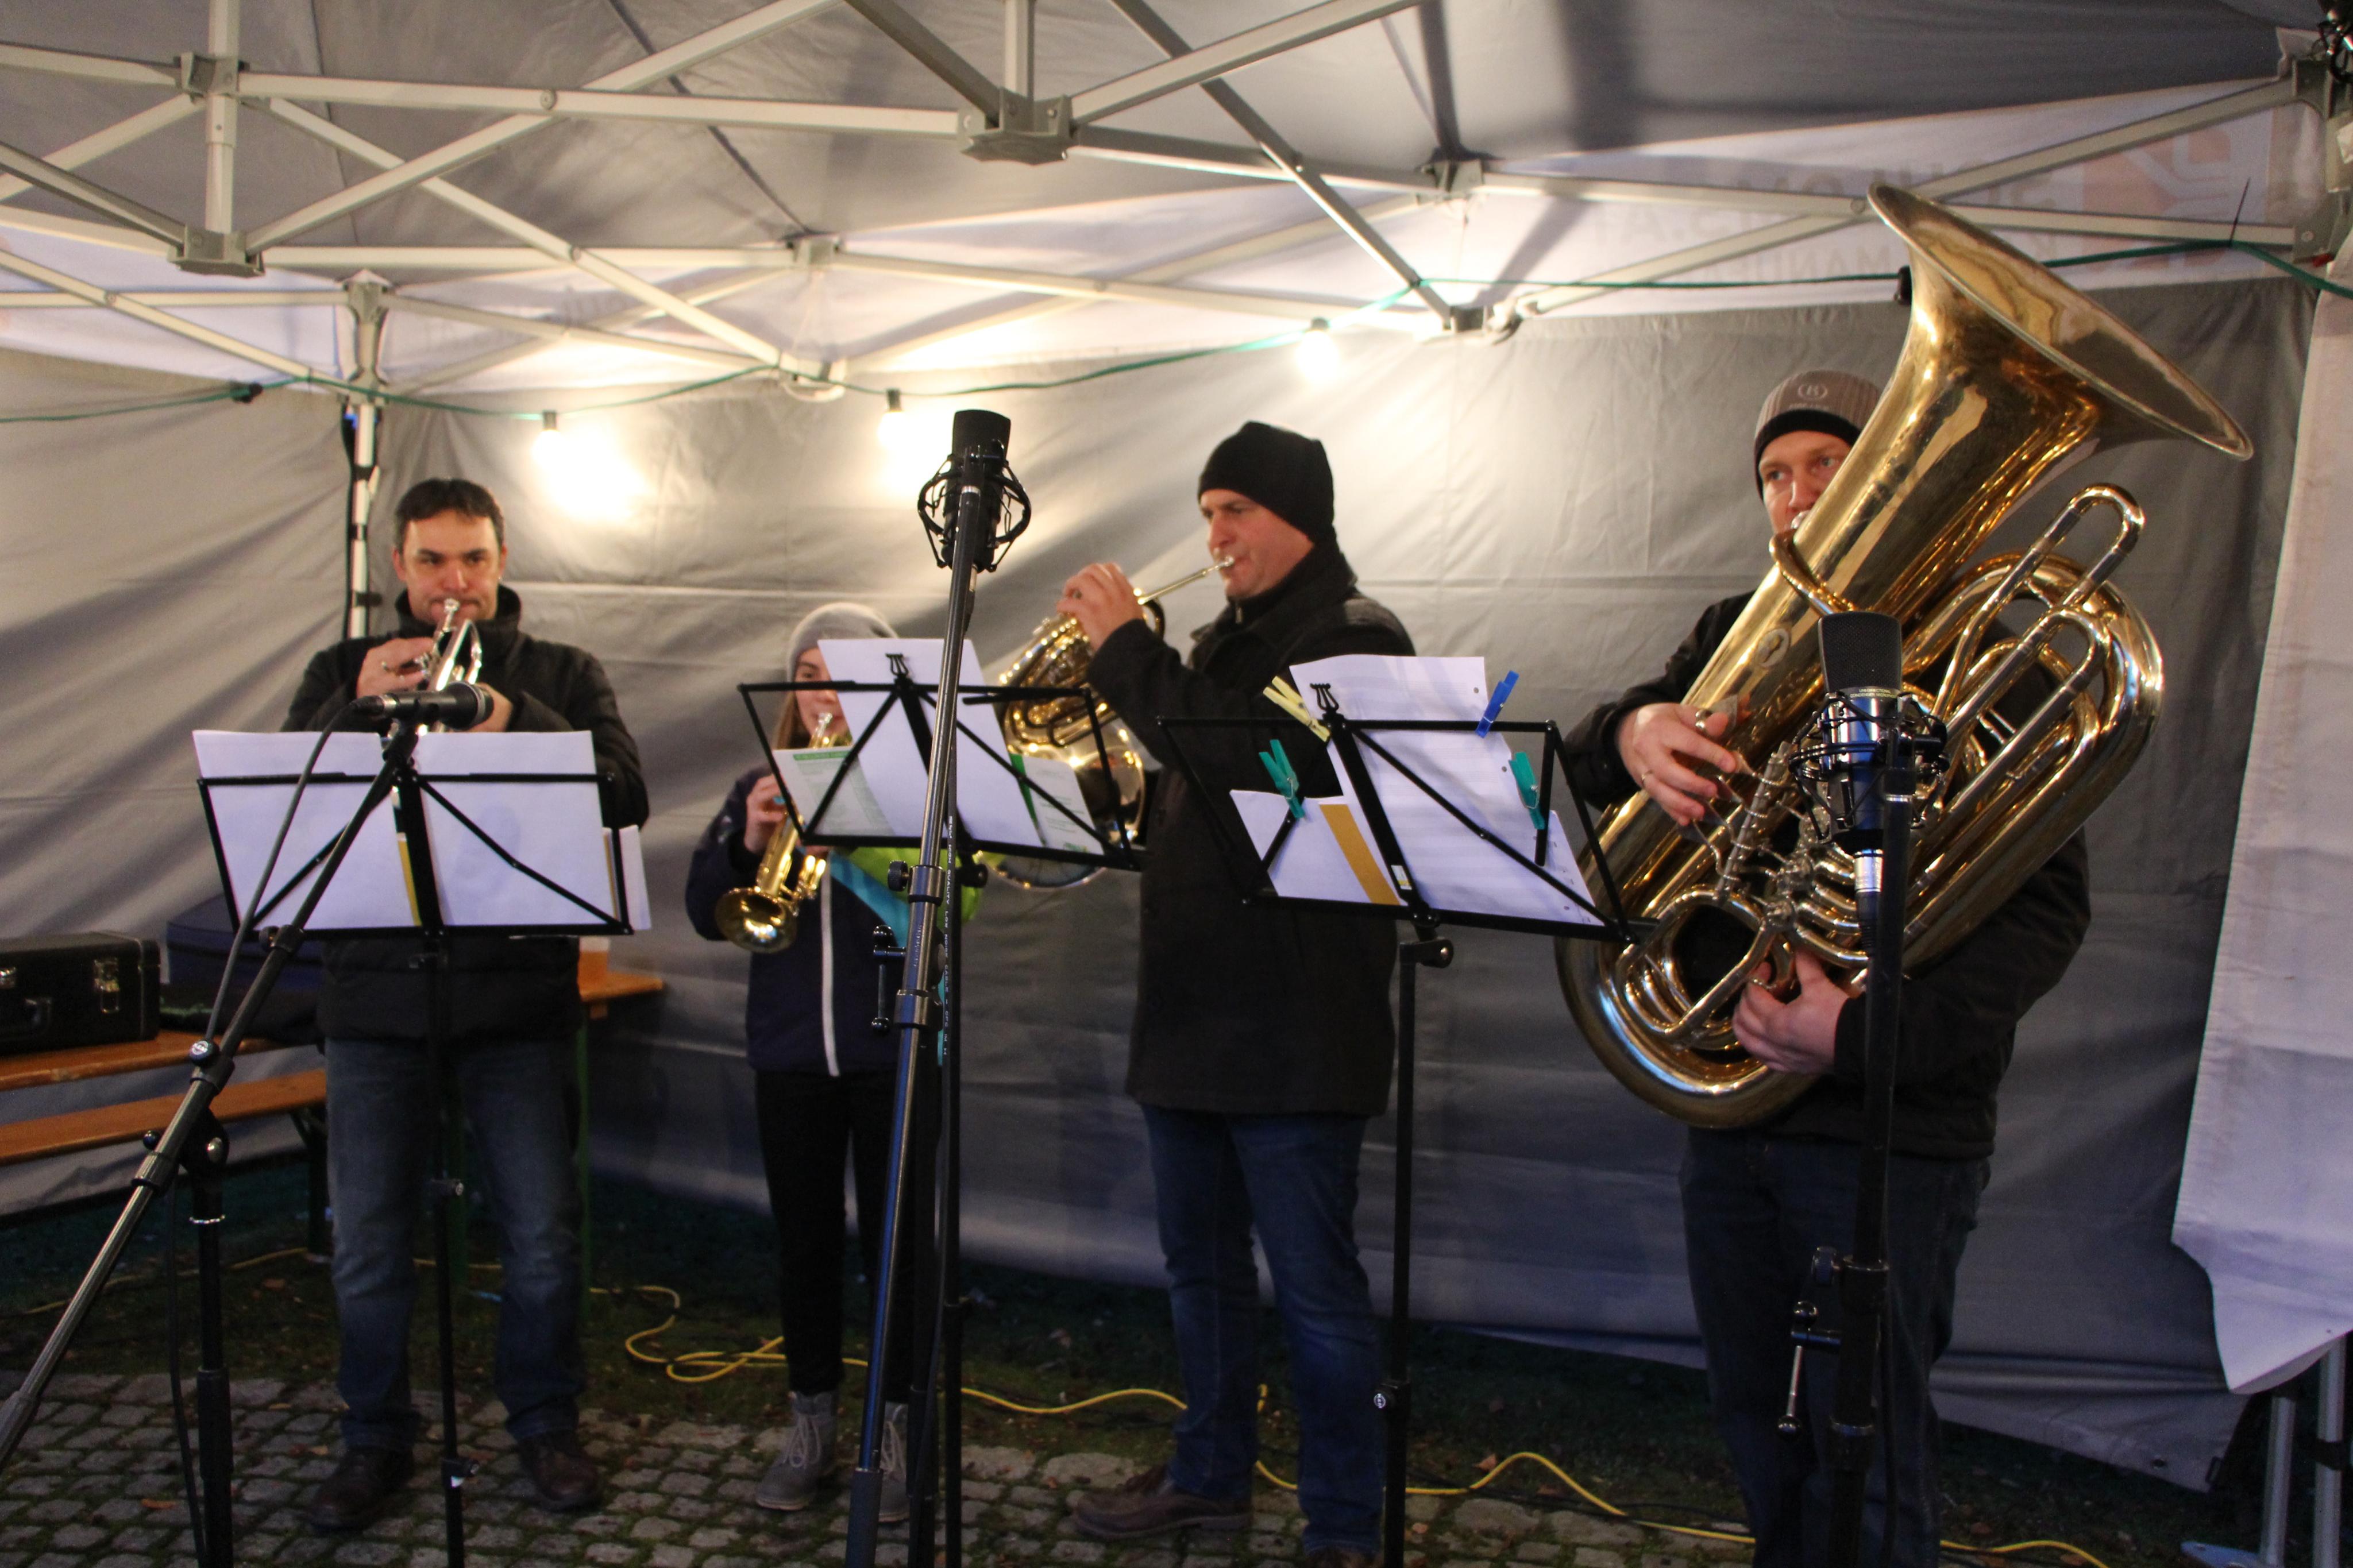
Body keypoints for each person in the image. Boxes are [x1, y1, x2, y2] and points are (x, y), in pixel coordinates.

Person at [1564, 372, 2093, 1566]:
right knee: (1756, 1421)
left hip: (1889, 1130)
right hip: (1732, 1111)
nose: (1795, 494)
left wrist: (1855, 1034)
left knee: (1870, 1454)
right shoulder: (1735, 633)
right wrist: (1630, 731)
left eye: (1824, 465)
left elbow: (2046, 913)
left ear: (1889, 478)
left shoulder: (1981, 647)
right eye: (1773, 474)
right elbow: (1612, 753)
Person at [1054, 422, 1413, 1568]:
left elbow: (1259, 759)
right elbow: (1190, 790)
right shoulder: (1216, 642)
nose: (1214, 535)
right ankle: (1209, 1476)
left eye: (1236, 512)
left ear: (1297, 516)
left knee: (1313, 1292)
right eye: (1207, 513)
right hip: (1192, 1016)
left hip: (1296, 1030)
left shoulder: (1355, 636)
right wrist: (1102, 778)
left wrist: (1126, 654)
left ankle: (1345, 1524)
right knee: (1200, 1274)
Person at [284, 477, 648, 1531]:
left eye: (475, 559)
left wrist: (509, 716)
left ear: (502, 560)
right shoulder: (340, 668)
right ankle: (374, 1437)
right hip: (375, 1000)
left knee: (541, 1232)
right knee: (367, 1241)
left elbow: (623, 791)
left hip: (514, 999)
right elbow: (291, 794)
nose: (456, 582)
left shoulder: (561, 673)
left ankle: (544, 1422)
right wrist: (353, 705)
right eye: (434, 561)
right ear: (399, 566)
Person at [684, 603, 964, 1519]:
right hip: (792, 1056)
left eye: (844, 675)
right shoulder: (758, 783)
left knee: (900, 1250)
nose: (824, 693)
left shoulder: (918, 789)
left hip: (895, 1050)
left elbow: (957, 901)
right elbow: (702, 908)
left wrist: (864, 843)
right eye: (809, 675)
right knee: (803, 1245)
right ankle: (811, 1420)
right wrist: (749, 840)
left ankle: (898, 1427)